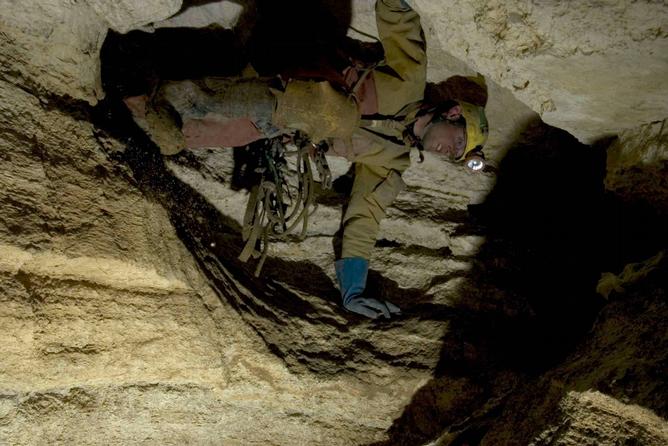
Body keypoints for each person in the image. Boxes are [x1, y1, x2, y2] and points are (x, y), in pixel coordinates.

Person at [124, 0, 489, 320]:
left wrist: (353, 290)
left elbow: (365, 219)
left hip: (276, 118)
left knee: (184, 135)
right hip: (294, 61)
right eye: (457, 142)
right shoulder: (411, 78)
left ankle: (134, 92)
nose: (450, 153)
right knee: (339, 116)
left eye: (457, 156)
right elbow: (397, 16)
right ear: (452, 113)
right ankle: (192, 95)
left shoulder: (392, 162)